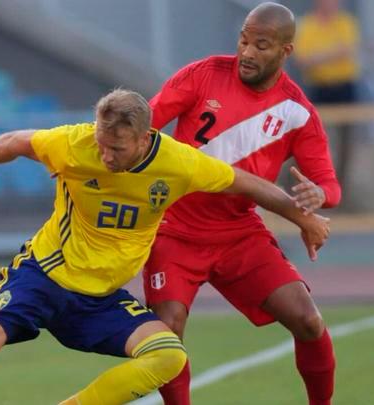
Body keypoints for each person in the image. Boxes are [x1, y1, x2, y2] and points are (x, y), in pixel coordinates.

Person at [0, 89, 330, 404]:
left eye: (116, 148)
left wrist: (303, 217)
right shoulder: (75, 143)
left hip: (99, 301)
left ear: (144, 138)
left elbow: (246, 183)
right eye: (101, 143)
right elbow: (14, 142)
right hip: (42, 278)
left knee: (169, 355)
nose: (105, 156)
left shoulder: (178, 163)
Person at [143, 3, 341, 405]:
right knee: (167, 333)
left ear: (286, 51)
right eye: (243, 41)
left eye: (261, 45)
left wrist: (319, 195)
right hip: (175, 228)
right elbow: (143, 122)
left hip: (239, 234)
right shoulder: (203, 75)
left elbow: (329, 185)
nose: (247, 53)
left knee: (307, 320)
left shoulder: (297, 112)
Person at [294, 0, 360, 191]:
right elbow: (302, 60)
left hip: (344, 88)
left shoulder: (346, 22)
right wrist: (333, 53)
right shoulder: (307, 25)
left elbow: (346, 51)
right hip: (318, 88)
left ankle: (340, 187)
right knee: (312, 137)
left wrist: (317, 57)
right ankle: (314, 183)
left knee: (346, 141)